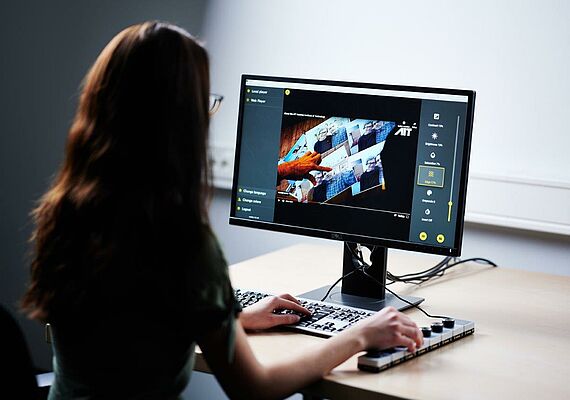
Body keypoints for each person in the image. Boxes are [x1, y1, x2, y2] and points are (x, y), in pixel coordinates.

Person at [20, 21, 422, 399]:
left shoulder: (65, 216)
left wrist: (232, 322)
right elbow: (255, 389)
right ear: (179, 121)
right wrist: (358, 336)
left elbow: (130, 332)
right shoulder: (181, 244)